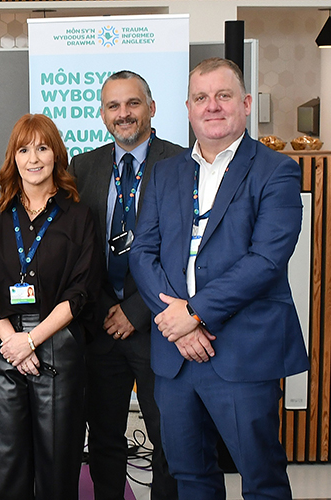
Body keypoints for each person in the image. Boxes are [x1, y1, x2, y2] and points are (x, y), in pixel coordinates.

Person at [129, 57, 308, 498]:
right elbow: (142, 252)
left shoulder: (276, 170)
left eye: (223, 96)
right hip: (176, 356)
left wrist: (194, 313)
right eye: (201, 98)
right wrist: (177, 321)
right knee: (189, 476)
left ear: (245, 105)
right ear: (187, 108)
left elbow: (266, 260)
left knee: (261, 479)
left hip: (242, 351)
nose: (212, 106)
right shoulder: (166, 172)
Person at [70, 70, 181, 500]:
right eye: (113, 106)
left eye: (132, 103)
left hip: (158, 326)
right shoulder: (84, 166)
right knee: (104, 441)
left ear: (151, 108)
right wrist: (102, 307)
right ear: (102, 114)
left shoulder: (180, 163)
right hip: (100, 326)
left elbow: (182, 250)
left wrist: (136, 310)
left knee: (168, 439)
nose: (124, 114)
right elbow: (78, 248)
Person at [0, 113, 102, 499]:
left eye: (43, 148)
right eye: (24, 149)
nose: (34, 158)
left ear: (56, 154)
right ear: (13, 158)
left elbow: (81, 291)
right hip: (5, 345)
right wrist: (12, 341)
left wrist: (31, 340)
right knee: (5, 464)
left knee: (57, 462)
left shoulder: (79, 215)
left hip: (58, 343)